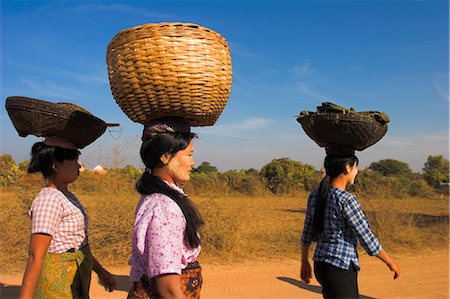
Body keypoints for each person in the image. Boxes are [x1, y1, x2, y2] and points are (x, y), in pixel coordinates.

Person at [20, 139, 117, 299]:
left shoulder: (68, 196)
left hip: (73, 279)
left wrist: (101, 272)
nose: (79, 166)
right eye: (74, 160)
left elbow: (75, 244)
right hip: (56, 284)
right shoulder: (49, 200)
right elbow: (35, 255)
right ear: (56, 166)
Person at [300, 153, 400, 298]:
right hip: (340, 268)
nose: (357, 172)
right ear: (347, 168)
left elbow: (306, 233)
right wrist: (390, 262)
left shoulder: (315, 195)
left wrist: (304, 262)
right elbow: (366, 238)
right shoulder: (347, 200)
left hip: (320, 265)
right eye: (355, 167)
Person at [128, 121, 204, 299]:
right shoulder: (164, 207)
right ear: (165, 156)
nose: (192, 162)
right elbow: (167, 287)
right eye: (189, 155)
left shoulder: (160, 197)